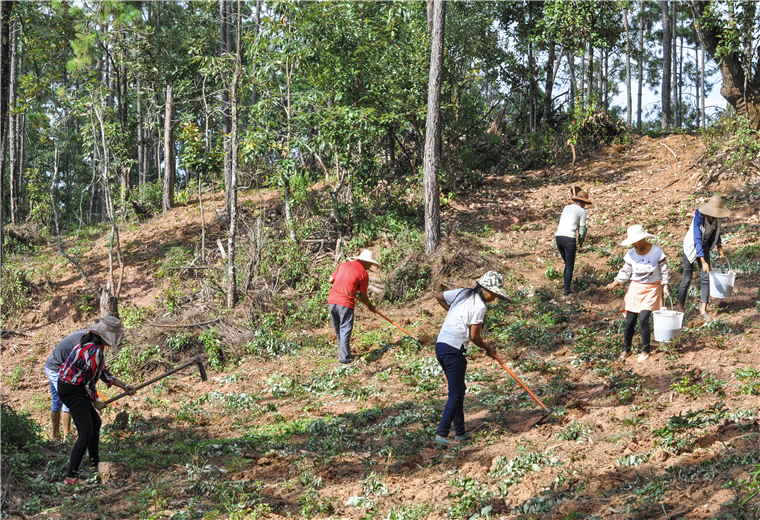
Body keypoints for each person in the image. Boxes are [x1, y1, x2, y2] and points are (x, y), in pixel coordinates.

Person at [433, 271, 507, 447]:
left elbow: (439, 296)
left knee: (457, 390)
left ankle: (460, 433)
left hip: (441, 346)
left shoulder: (461, 293)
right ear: (485, 289)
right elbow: (475, 337)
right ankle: (442, 434)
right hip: (454, 350)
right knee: (456, 394)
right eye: (494, 294)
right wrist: (488, 348)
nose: (494, 298)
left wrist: (456, 316)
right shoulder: (480, 306)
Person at [57, 317, 135, 484]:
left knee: (96, 423)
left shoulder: (91, 344)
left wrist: (125, 386)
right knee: (85, 433)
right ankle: (71, 477)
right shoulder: (94, 351)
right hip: (72, 390)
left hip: (72, 386)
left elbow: (103, 373)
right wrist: (95, 402)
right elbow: (88, 382)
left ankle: (94, 465)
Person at [605, 225, 670, 363]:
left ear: (643, 238)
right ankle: (626, 349)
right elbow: (626, 271)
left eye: (636, 241)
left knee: (643, 319)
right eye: (632, 242)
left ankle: (645, 350)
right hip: (635, 289)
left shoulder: (656, 252)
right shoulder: (631, 254)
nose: (634, 244)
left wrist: (665, 286)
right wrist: (615, 283)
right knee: (630, 322)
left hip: (651, 288)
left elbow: (665, 269)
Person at [676, 194, 731, 320]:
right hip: (691, 246)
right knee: (687, 278)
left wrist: (719, 247)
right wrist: (703, 261)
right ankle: (680, 306)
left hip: (704, 246)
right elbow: (696, 240)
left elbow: (716, 233)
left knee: (705, 278)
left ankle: (703, 310)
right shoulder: (699, 218)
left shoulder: (716, 219)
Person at [327, 249, 380, 364]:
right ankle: (344, 360)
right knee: (345, 330)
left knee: (339, 331)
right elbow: (363, 296)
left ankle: (344, 355)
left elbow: (331, 280)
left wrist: (345, 285)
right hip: (345, 303)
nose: (370, 266)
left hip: (332, 301)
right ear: (365, 261)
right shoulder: (363, 274)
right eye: (370, 263)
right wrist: (370, 306)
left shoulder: (344, 264)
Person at [45, 326, 93, 442]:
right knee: (68, 399)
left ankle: (58, 435)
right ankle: (66, 437)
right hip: (55, 367)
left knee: (57, 400)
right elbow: (75, 365)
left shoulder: (86, 335)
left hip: (57, 365)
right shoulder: (83, 342)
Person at [555, 187, 592, 297]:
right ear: (584, 203)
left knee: (567, 264)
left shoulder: (566, 207)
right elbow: (582, 229)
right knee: (570, 266)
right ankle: (566, 292)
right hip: (569, 239)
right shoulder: (582, 211)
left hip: (559, 237)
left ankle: (566, 287)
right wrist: (581, 241)